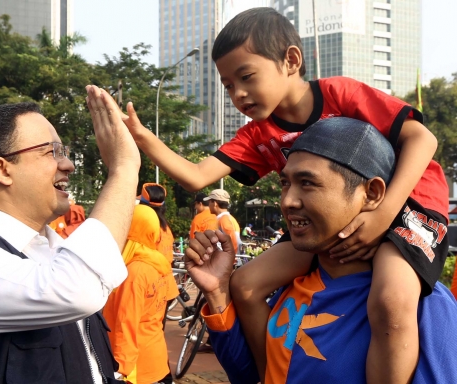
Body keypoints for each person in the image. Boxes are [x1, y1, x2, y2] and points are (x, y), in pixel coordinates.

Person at [119, 8, 449, 382]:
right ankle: (270, 374)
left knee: (391, 300)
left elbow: (423, 138)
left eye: (246, 77)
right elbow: (197, 177)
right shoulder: (258, 134)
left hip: (408, 206)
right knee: (244, 284)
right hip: (331, 219)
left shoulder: (339, 93)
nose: (238, 94)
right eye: (228, 85)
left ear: (291, 60)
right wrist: (143, 137)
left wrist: (383, 215)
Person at [184, 118, 457, 384]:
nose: (288, 201)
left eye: (308, 183)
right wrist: (217, 291)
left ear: (372, 193)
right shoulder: (291, 286)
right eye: (285, 183)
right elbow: (250, 375)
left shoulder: (425, 306)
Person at [0, 85, 140, 383]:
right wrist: (124, 167)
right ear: (4, 170)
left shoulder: (57, 251)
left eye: (65, 152)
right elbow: (78, 290)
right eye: (52, 152)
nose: (68, 165)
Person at [103, 203, 177, 384]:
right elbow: (170, 295)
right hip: (156, 356)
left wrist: (122, 370)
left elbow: (126, 324)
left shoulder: (133, 272)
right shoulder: (159, 263)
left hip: (136, 367)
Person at [205, 189, 242, 255]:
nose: (208, 205)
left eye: (209, 202)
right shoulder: (225, 218)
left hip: (227, 262)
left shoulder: (224, 219)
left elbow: (235, 242)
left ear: (215, 203)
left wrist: (231, 261)